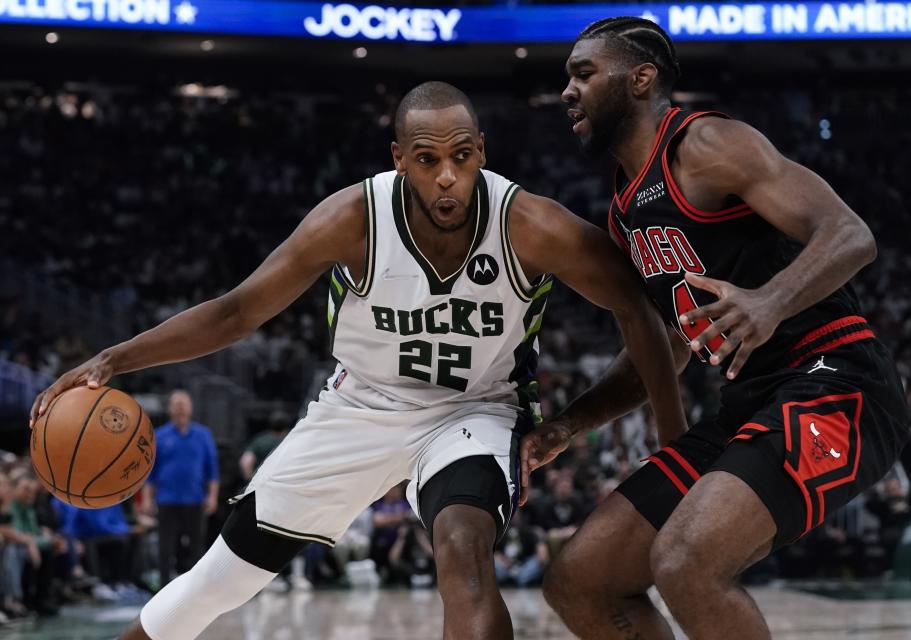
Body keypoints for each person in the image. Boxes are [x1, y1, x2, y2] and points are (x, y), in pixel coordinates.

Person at [30, 81, 686, 640]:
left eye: (462, 156)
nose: (448, 175)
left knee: (462, 545)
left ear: (482, 150)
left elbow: (645, 315)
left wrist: (658, 441)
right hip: (358, 406)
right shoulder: (351, 219)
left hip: (475, 412)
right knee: (217, 581)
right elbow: (236, 313)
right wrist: (114, 360)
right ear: (400, 160)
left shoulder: (530, 225)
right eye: (428, 160)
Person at [523, 17, 909, 640]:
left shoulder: (705, 145)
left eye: (584, 73)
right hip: (750, 400)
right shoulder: (625, 210)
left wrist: (769, 301)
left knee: (687, 564)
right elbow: (668, 347)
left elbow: (850, 234)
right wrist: (571, 424)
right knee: (580, 579)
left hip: (837, 379)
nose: (567, 89)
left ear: (641, 78)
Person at [140, 390, 219, 586]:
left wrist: (212, 497)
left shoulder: (203, 435)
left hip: (195, 499)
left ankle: (197, 588)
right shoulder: (159, 435)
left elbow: (212, 471)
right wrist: (148, 499)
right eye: (176, 403)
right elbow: (150, 473)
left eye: (184, 403)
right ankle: (163, 588)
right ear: (169, 409)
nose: (180, 407)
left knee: (196, 548)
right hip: (167, 500)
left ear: (191, 408)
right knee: (165, 548)